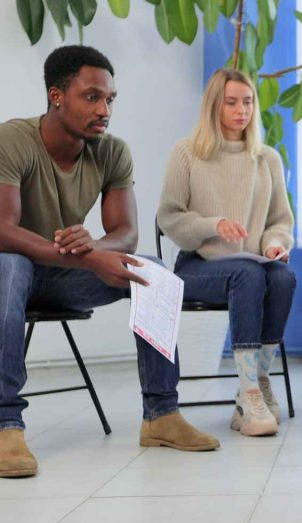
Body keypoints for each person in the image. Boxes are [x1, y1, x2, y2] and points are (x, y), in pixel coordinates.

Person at [0, 46, 220, 477]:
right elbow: (3, 229)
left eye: (110, 100)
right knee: (8, 265)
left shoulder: (111, 151)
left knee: (151, 270)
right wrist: (89, 258)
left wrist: (95, 251)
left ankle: (161, 414)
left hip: (65, 276)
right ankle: (6, 424)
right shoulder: (13, 140)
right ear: (56, 95)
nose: (105, 110)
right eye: (92, 97)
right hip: (13, 270)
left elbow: (127, 234)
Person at [158, 69, 296, 437]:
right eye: (231, 102)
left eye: (248, 101)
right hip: (198, 266)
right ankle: (251, 394)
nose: (242, 110)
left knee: (282, 277)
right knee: (248, 275)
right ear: (214, 105)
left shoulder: (266, 159)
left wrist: (274, 243)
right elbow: (169, 216)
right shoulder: (187, 153)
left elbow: (280, 220)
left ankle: (254, 384)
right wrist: (212, 224)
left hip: (253, 264)